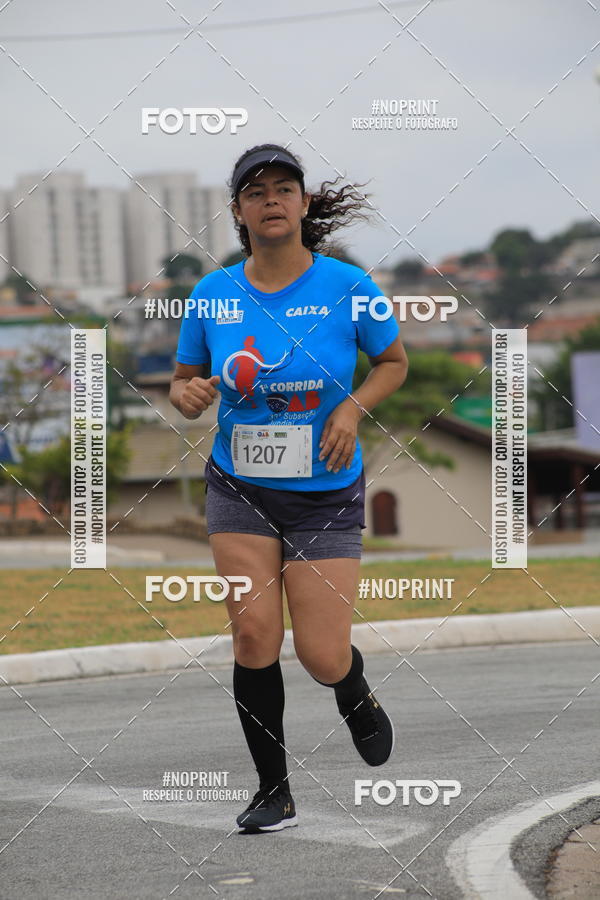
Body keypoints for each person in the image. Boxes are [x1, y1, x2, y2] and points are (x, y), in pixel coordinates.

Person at [170, 143, 409, 834]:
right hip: (238, 485)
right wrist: (187, 394)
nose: (271, 199)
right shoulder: (213, 294)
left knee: (322, 655)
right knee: (252, 635)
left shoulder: (347, 285)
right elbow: (184, 379)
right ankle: (273, 791)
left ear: (304, 204)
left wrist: (352, 406)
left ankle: (354, 689)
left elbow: (392, 362)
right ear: (239, 212)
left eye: (284, 188)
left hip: (326, 490)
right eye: (256, 192)